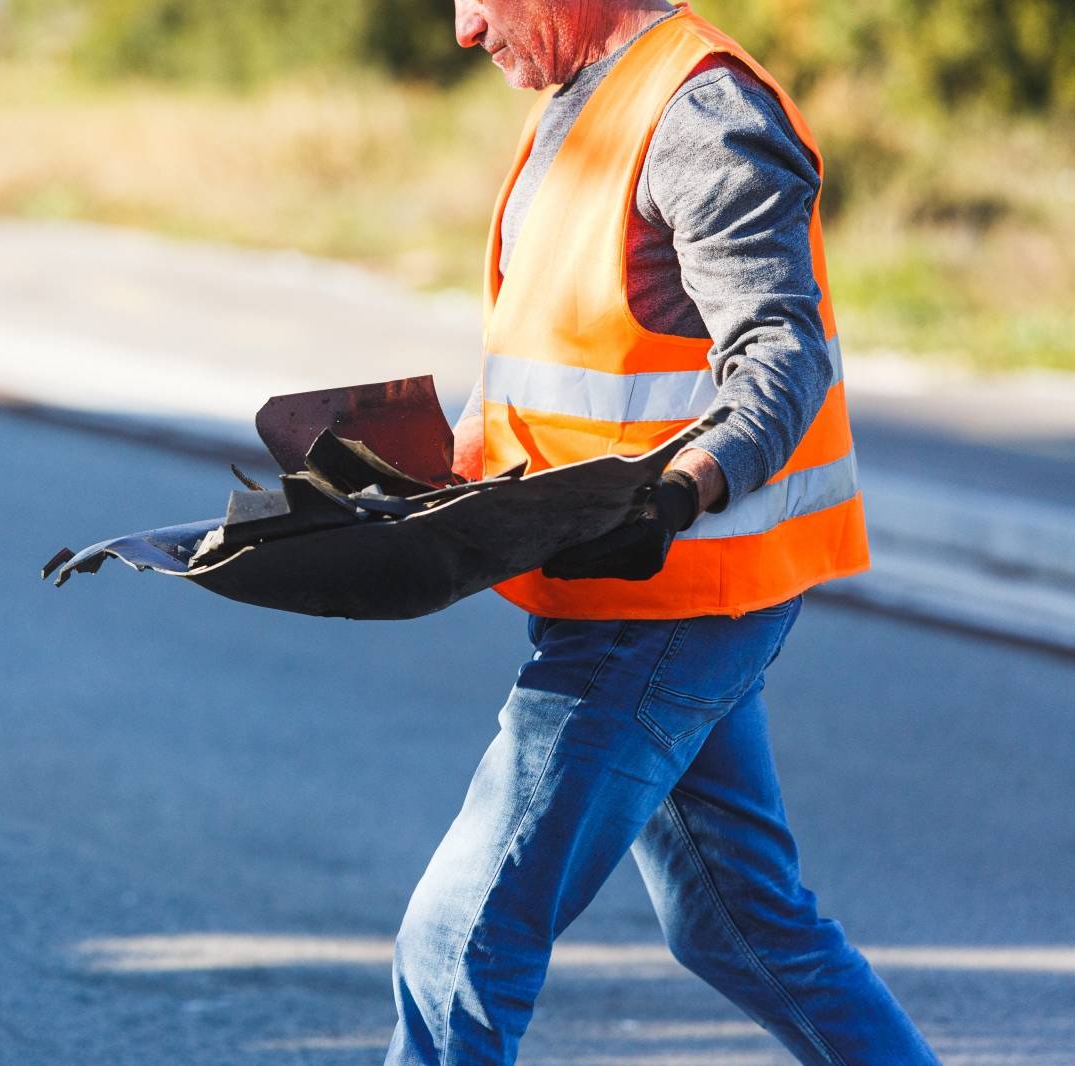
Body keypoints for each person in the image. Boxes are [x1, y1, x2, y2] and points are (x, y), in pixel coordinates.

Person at [385, 2, 941, 1063]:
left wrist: (676, 493)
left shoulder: (702, 111)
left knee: (458, 936)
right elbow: (563, 345)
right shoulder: (586, 98)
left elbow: (782, 348)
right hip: (629, 588)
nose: (462, 28)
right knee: (736, 923)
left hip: (667, 596)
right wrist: (436, 469)